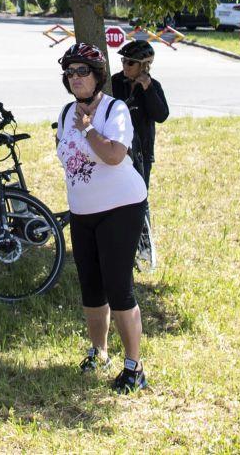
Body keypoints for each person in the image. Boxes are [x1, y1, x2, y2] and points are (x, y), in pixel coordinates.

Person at [54, 42, 150, 393]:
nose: (75, 77)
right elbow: (65, 156)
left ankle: (134, 367)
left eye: (82, 71)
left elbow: (113, 156)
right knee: (91, 286)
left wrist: (89, 129)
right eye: (70, 72)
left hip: (121, 207)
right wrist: (77, 126)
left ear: (96, 76)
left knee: (118, 286)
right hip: (83, 211)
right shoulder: (66, 113)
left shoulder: (115, 109)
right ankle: (99, 351)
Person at [111, 39, 170, 185]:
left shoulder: (153, 86)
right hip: (115, 148)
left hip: (141, 152)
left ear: (143, 65)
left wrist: (147, 88)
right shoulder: (114, 82)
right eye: (123, 60)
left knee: (140, 195)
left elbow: (161, 116)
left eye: (130, 62)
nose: (125, 65)